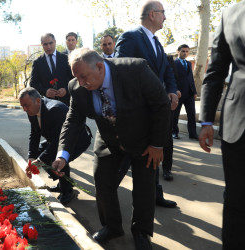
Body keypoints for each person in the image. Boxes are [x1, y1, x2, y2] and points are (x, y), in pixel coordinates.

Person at [52, 48, 171, 249]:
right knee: (103, 182)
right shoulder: (77, 87)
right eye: (76, 77)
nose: (80, 82)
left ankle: (141, 232)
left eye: (83, 76)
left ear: (99, 66)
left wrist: (157, 144)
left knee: (144, 188)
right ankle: (112, 227)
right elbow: (73, 120)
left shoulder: (135, 69)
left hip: (143, 140)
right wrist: (62, 155)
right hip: (108, 140)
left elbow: (161, 104)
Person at [115, 1, 179, 195]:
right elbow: (120, 70)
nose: (165, 17)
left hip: (156, 110)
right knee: (124, 162)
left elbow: (166, 70)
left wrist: (172, 90)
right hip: (137, 113)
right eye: (163, 13)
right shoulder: (130, 37)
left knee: (153, 155)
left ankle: (155, 194)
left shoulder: (157, 41)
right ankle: (105, 200)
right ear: (152, 15)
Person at [198, 2, 245, 249]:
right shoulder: (231, 14)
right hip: (239, 124)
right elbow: (215, 70)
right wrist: (206, 120)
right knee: (237, 200)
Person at [19, 87, 91, 206]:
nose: (24, 109)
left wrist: (40, 160)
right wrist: (31, 159)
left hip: (75, 141)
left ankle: (67, 191)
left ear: (37, 100)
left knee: (53, 158)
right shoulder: (32, 110)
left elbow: (58, 143)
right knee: (40, 154)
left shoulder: (54, 110)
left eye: (26, 105)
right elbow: (35, 134)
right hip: (55, 140)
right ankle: (63, 183)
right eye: (22, 106)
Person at [29, 33, 73, 106]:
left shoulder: (66, 59)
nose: (48, 47)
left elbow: (73, 79)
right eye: (45, 44)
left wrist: (66, 89)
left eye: (51, 43)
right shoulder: (37, 62)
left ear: (55, 42)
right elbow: (33, 83)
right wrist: (45, 91)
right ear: (42, 44)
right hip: (47, 105)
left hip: (66, 103)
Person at [172, 44, 198, 140]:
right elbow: (171, 79)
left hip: (189, 94)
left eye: (187, 51)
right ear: (178, 51)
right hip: (178, 93)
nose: (185, 53)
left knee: (191, 114)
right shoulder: (173, 63)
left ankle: (193, 134)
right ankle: (174, 132)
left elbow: (191, 78)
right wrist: (174, 90)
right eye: (183, 51)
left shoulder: (188, 63)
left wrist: (194, 92)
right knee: (175, 114)